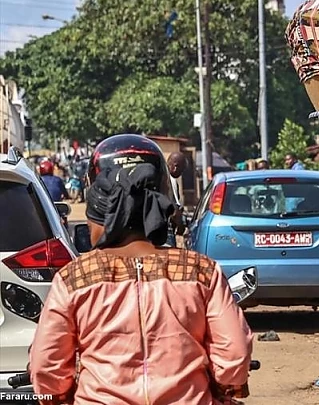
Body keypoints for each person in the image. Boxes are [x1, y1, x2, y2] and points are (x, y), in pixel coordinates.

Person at [29, 134, 253, 405]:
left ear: (99, 214)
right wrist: (223, 390)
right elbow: (234, 357)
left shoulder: (73, 279)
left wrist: (61, 396)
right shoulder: (202, 272)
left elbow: (46, 369)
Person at [165, 151, 188, 247]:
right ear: (175, 166)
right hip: (165, 231)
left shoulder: (157, 176)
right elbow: (175, 211)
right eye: (181, 171)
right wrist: (180, 227)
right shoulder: (170, 180)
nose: (181, 174)